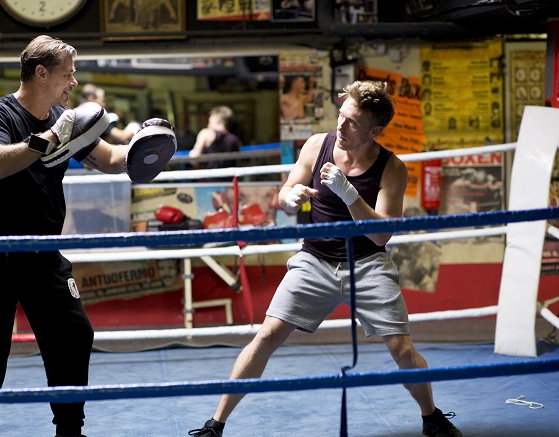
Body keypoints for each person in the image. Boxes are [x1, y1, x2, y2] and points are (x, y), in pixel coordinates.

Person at [188, 81, 462, 437]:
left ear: (375, 131)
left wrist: (348, 194)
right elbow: (285, 192)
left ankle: (431, 417)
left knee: (401, 347)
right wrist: (289, 198)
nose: (341, 125)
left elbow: (382, 234)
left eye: (352, 122)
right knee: (267, 334)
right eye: (341, 116)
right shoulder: (318, 145)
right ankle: (215, 424)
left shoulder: (392, 169)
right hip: (314, 259)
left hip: (367, 263)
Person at [0, 35, 137, 437]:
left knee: (75, 335)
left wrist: (145, 151)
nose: (73, 82)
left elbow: (108, 158)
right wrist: (48, 140)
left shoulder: (66, 116)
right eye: (67, 73)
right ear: (41, 72)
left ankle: (69, 431)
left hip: (42, 253)